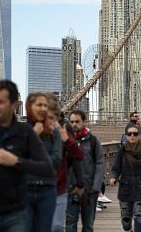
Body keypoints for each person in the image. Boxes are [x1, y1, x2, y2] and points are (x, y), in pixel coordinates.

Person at [0, 80, 55, 231]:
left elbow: (47, 168)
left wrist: (16, 161)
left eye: (0, 102)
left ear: (14, 105)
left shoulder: (25, 133)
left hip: (14, 215)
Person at [25, 92, 63, 231]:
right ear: (29, 107)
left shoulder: (53, 132)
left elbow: (56, 162)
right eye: (38, 105)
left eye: (45, 105)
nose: (42, 109)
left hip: (47, 190)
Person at [110, 125, 141, 232]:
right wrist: (113, 177)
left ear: (139, 136)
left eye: (135, 134)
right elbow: (116, 168)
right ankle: (128, 229)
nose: (132, 136)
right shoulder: (122, 151)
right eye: (129, 134)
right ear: (126, 136)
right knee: (125, 220)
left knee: (138, 216)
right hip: (125, 189)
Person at [48, 98, 84, 232]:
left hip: (60, 186)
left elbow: (77, 157)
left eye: (53, 117)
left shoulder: (64, 128)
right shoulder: (32, 130)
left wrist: (80, 183)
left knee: (57, 226)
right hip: (37, 188)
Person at [65, 110, 105, 232]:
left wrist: (96, 186)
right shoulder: (65, 141)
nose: (74, 124)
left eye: (77, 121)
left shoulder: (93, 141)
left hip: (89, 189)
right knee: (70, 222)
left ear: (84, 122)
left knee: (88, 224)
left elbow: (100, 163)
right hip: (70, 189)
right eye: (71, 122)